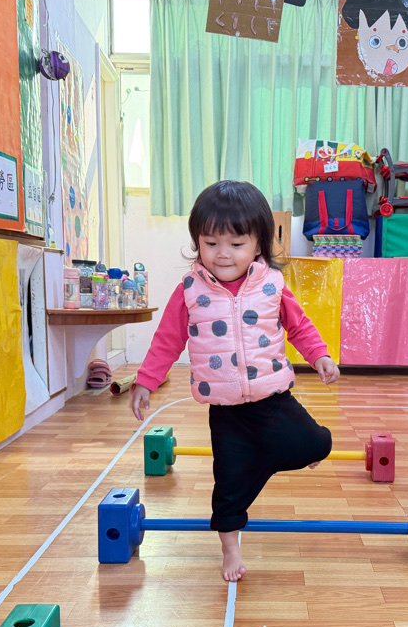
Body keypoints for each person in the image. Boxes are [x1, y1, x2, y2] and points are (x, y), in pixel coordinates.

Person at [130, 181, 340, 582]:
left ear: (259, 244)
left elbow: (299, 327)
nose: (222, 254)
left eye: (236, 244)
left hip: (272, 398)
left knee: (317, 444)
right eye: (210, 243)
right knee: (227, 487)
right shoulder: (190, 291)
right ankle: (230, 548)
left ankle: (277, 455)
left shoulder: (272, 286)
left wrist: (320, 356)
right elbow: (167, 340)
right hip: (225, 411)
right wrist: (146, 381)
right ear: (197, 242)